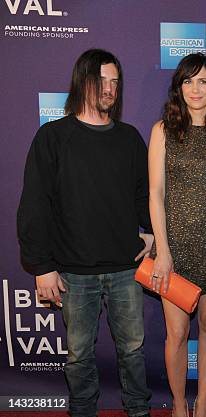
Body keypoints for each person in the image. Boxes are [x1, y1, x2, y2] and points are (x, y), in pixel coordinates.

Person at [17, 49, 152, 417]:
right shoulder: (53, 137)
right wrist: (41, 267)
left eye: (115, 82)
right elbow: (34, 205)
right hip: (74, 272)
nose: (109, 89)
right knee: (79, 356)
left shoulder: (129, 138)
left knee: (133, 351)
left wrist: (152, 231)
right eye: (101, 81)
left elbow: (144, 193)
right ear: (82, 82)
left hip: (127, 269)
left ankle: (139, 411)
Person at [148, 53, 206, 417]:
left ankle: (202, 403)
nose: (195, 88)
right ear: (179, 87)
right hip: (174, 245)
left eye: (203, 81)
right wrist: (163, 251)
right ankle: (179, 404)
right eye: (188, 81)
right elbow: (155, 194)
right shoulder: (162, 130)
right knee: (175, 331)